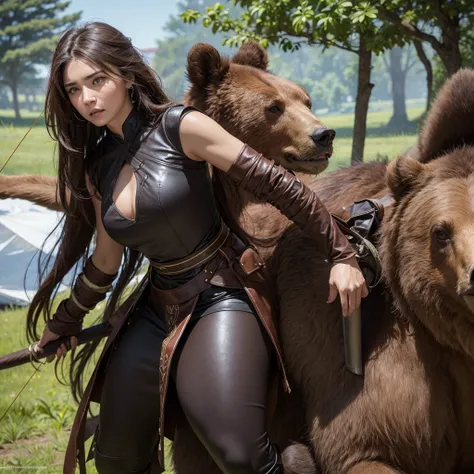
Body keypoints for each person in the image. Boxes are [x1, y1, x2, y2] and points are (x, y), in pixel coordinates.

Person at [28, 22, 368, 474]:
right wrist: (65, 320)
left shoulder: (181, 126)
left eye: (97, 81)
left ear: (126, 75)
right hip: (155, 307)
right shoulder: (99, 167)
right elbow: (105, 262)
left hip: (222, 296)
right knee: (114, 457)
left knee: (241, 456)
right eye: (74, 89)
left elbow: (282, 186)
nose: (87, 98)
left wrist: (342, 255)